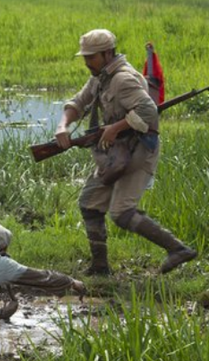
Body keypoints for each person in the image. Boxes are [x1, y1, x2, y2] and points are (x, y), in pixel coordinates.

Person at [54, 29, 196, 275]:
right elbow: (78, 102)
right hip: (115, 152)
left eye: (91, 57)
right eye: (85, 57)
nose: (87, 62)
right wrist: (62, 126)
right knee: (90, 203)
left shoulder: (123, 79)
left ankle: (178, 249)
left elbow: (148, 110)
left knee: (121, 212)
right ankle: (100, 267)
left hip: (139, 149)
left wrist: (117, 127)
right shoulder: (100, 77)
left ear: (107, 54)